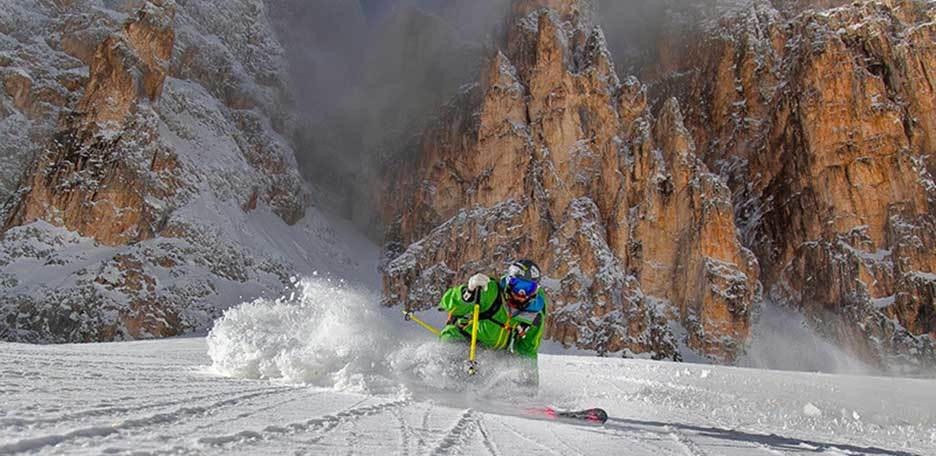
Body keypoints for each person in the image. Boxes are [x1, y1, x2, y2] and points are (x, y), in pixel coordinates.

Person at [437, 260, 548, 378]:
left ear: (536, 290)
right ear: (509, 282)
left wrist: (529, 382)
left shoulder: (534, 315)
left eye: (529, 288)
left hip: (491, 356)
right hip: (462, 340)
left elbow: (528, 351)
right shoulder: (489, 290)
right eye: (517, 285)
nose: (521, 293)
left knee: (499, 379)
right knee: (452, 371)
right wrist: (468, 292)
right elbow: (447, 304)